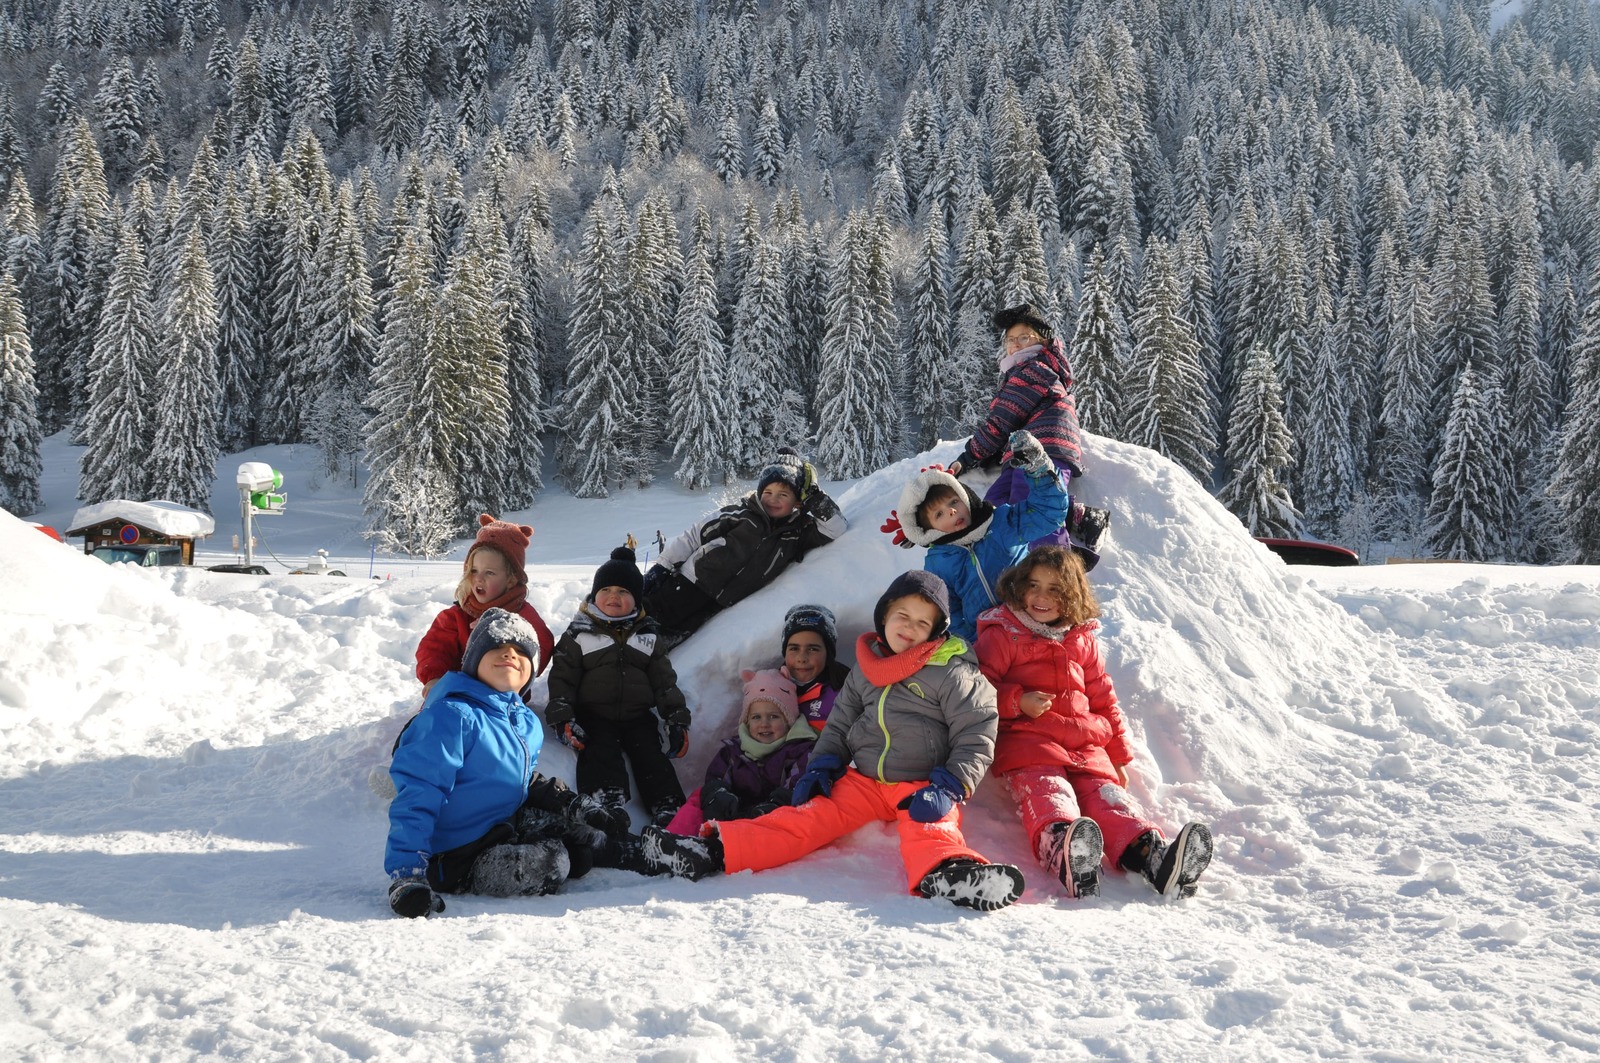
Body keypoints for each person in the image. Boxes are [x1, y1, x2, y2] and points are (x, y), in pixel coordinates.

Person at [641, 571, 1027, 912]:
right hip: (863, 780)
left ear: (936, 631)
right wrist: (823, 763)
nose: (909, 628)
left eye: (922, 623)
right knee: (804, 819)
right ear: (884, 617)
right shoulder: (868, 667)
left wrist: (951, 785)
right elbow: (841, 721)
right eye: (902, 616)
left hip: (922, 782)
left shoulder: (952, 672)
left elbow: (976, 731)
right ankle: (716, 850)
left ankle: (950, 873)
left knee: (932, 826)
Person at [974, 546, 1213, 899]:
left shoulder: (1081, 638)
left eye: (1054, 590)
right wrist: (1017, 701)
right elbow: (978, 686)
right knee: (1048, 793)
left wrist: (1117, 755)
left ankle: (1152, 857)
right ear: (1019, 585)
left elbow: (1102, 696)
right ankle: (1064, 850)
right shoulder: (1003, 632)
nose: (1040, 597)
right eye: (1033, 585)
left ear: (1072, 595)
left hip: (1086, 744)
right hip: (1030, 741)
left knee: (1109, 800)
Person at [384, 609, 610, 918]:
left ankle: (641, 852)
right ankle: (558, 855)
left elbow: (521, 778)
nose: (509, 653)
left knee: (587, 831)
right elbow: (419, 794)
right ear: (474, 660)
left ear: (530, 672)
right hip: (457, 855)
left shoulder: (524, 721)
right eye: (496, 646)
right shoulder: (452, 715)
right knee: (555, 860)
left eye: (521, 651)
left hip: (500, 825)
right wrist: (407, 876)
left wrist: (572, 803)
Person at [946, 304, 1110, 560]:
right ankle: (1075, 517)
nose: (1016, 344)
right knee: (996, 504)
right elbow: (1012, 421)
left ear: (1042, 341)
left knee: (1035, 509)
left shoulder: (1033, 369)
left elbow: (1002, 420)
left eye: (1024, 337)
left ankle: (1055, 571)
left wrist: (968, 457)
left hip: (1045, 448)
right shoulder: (1030, 368)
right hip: (1023, 453)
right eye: (1011, 339)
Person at [547, 546, 691, 833]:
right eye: (607, 589)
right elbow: (563, 676)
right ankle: (607, 801)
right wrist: (562, 714)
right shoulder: (579, 633)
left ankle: (668, 805)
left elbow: (664, 681)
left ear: (636, 600)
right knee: (599, 748)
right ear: (595, 594)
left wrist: (676, 718)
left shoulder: (648, 635)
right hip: (595, 713)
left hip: (638, 715)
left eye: (624, 592)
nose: (614, 596)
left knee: (651, 754)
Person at [642, 447, 845, 649]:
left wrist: (814, 498)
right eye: (768, 492)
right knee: (645, 619)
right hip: (690, 581)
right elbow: (694, 536)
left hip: (720, 602)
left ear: (798, 502)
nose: (773, 499)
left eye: (783, 494)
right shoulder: (739, 514)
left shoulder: (796, 533)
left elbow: (836, 528)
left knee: (670, 639)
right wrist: (662, 567)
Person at [883, 429, 1068, 643]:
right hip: (989, 637)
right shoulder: (938, 563)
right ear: (930, 529)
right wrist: (973, 642)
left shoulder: (1002, 523)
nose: (952, 511)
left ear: (966, 498)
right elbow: (948, 611)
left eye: (954, 502)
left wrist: (1040, 472)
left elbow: (1048, 512)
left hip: (1034, 619)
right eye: (939, 514)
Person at [414, 514, 555, 699]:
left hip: (504, 699)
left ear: (511, 579)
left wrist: (505, 630)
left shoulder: (523, 616)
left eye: (489, 572)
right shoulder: (456, 616)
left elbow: (542, 645)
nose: (479, 578)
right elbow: (434, 648)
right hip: (457, 694)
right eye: (474, 571)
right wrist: (435, 677)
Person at [664, 668, 816, 837]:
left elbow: (797, 786)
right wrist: (719, 796)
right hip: (732, 814)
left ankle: (713, 849)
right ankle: (675, 838)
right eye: (756, 717)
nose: (764, 723)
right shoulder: (733, 751)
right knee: (698, 797)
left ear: (789, 720)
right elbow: (716, 779)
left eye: (774, 716)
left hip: (770, 820)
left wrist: (774, 805)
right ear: (747, 721)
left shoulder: (798, 750)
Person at [779, 603, 851, 732]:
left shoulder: (845, 695)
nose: (802, 658)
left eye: (812, 649)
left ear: (827, 654)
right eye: (794, 648)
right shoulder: (768, 690)